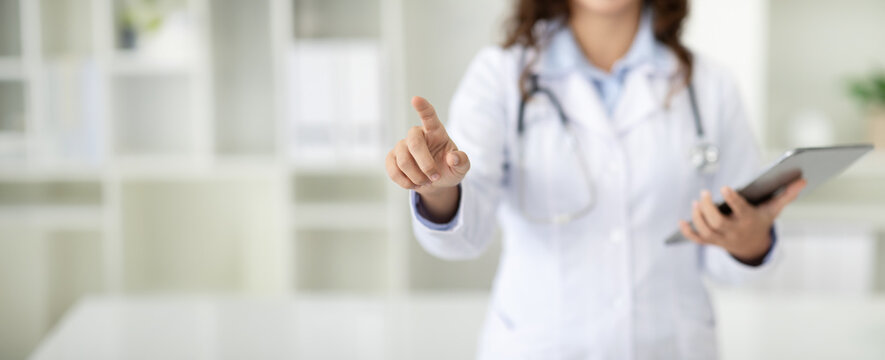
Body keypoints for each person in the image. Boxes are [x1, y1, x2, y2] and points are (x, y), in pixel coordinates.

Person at [384, 0, 806, 358]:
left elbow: (727, 259)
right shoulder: (500, 76)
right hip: (541, 346)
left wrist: (749, 241)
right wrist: (439, 187)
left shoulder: (711, 86)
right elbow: (464, 236)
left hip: (671, 345)